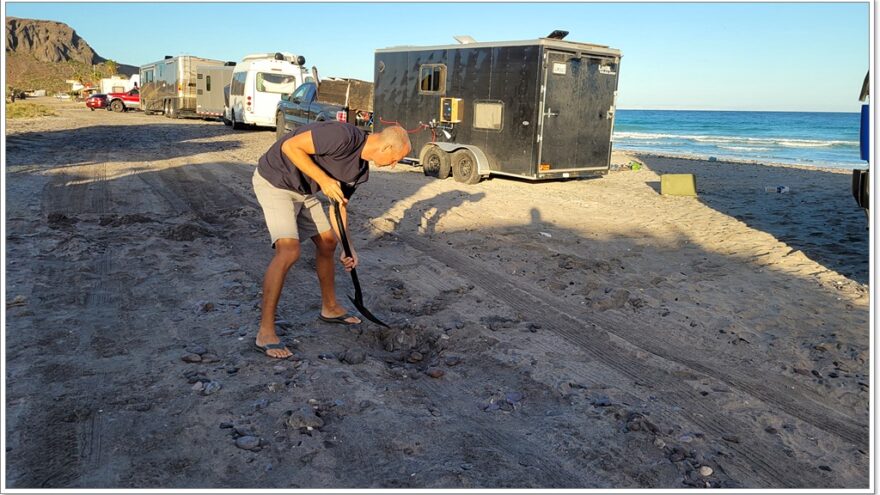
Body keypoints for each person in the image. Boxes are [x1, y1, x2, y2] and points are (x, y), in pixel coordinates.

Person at [252, 122, 411, 358]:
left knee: (329, 242)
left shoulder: (358, 171)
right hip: (275, 181)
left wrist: (349, 248)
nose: (395, 164)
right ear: (386, 146)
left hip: (303, 190)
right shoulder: (342, 136)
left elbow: (339, 207)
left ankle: (330, 308)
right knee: (289, 251)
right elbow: (290, 146)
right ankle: (265, 332)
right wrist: (324, 180)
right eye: (396, 158)